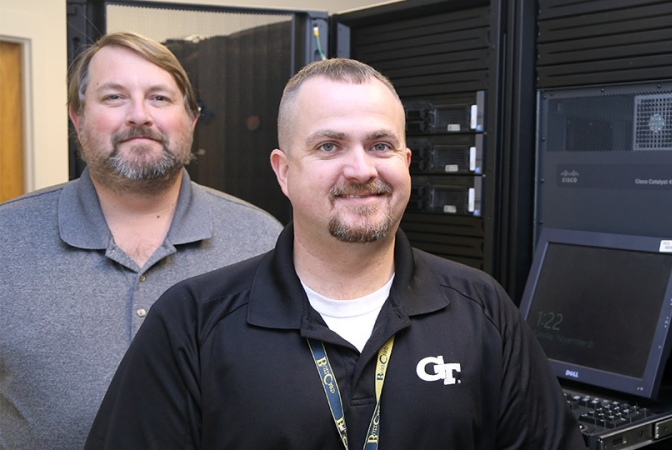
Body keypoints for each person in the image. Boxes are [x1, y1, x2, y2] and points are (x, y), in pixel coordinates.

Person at [84, 58, 585, 449]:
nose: (361, 169)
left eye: (381, 145)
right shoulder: (194, 320)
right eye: (329, 146)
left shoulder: (482, 310)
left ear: (407, 163)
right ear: (283, 171)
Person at [0, 31, 282, 450]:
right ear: (77, 118)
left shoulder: (264, 240)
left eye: (160, 98)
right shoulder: (7, 239)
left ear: (191, 119)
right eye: (114, 97)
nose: (139, 116)